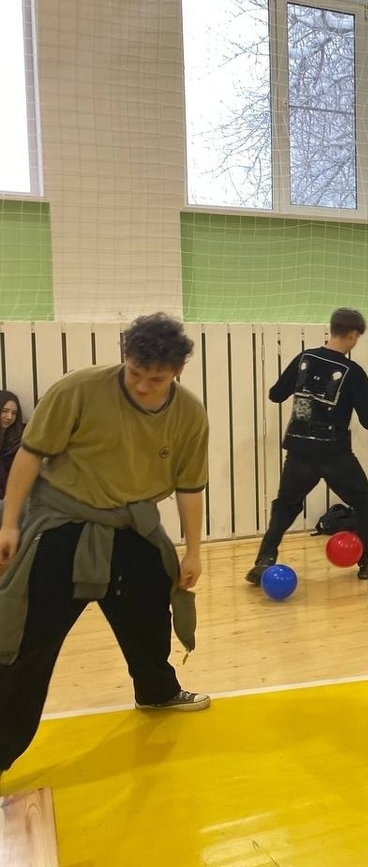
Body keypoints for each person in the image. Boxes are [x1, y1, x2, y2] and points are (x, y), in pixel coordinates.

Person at [0, 313, 211, 773]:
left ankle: (157, 692)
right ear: (124, 357)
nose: (143, 386)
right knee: (28, 640)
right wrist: (10, 523)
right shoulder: (78, 389)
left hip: (133, 525)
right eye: (135, 373)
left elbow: (190, 486)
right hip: (64, 522)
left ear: (177, 371)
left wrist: (193, 550)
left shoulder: (190, 414)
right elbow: (31, 454)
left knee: (149, 616)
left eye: (156, 378)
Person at [248, 308, 368, 584]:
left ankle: (264, 559)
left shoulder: (304, 359)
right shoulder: (353, 372)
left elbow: (275, 394)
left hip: (299, 450)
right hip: (334, 454)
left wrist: (304, 394)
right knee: (365, 504)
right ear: (352, 335)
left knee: (285, 505)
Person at [0, 392, 25, 499]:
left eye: (14, 413)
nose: (9, 417)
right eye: (4, 411)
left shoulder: (19, 439)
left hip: (12, 496)